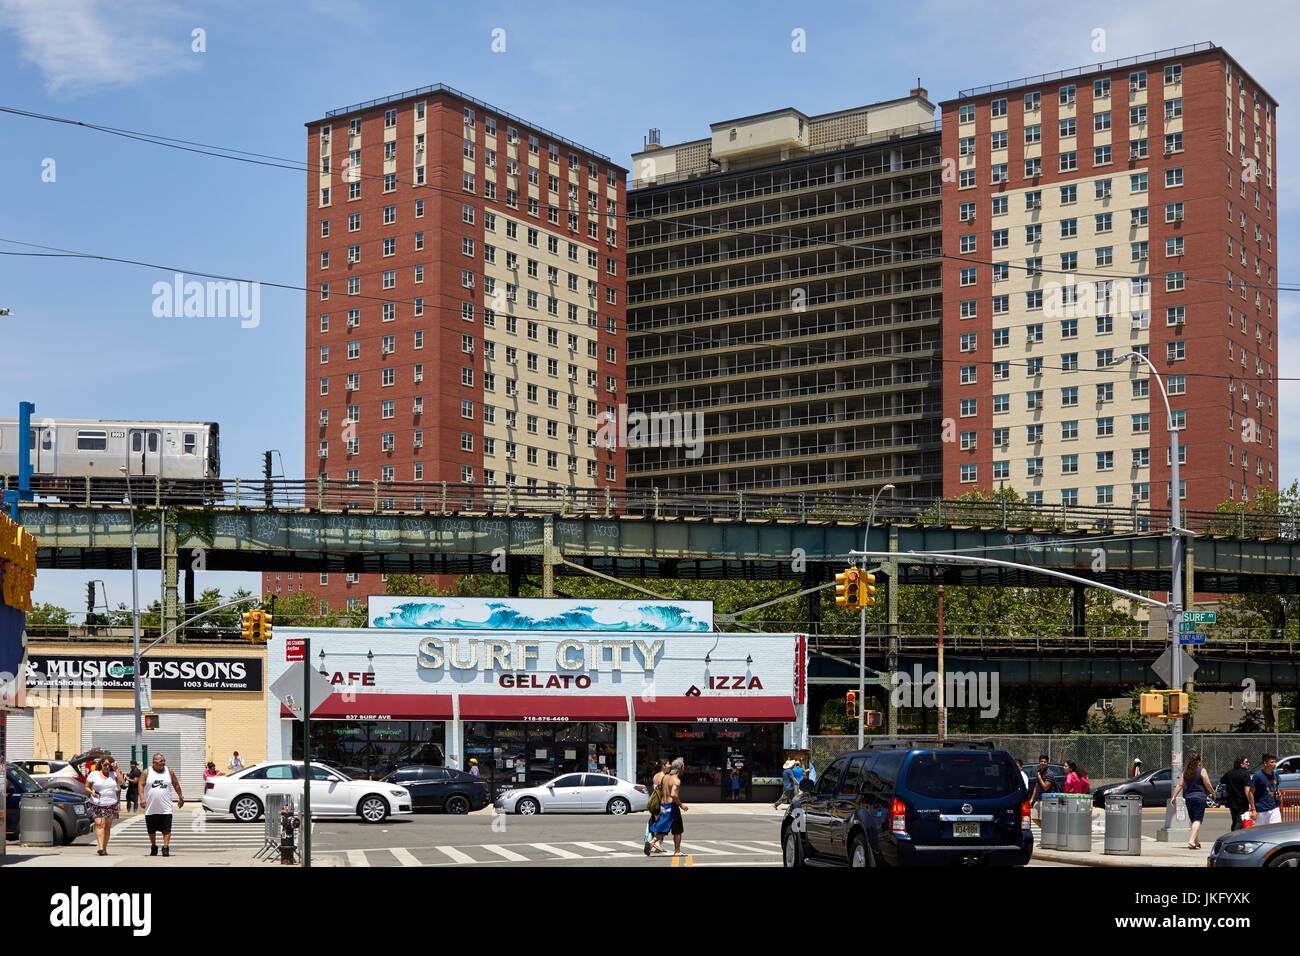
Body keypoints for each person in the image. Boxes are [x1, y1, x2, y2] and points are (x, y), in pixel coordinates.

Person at [143, 752, 184, 857]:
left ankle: (165, 847)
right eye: (161, 761)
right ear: (154, 762)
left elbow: (176, 784)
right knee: (151, 830)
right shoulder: (147, 772)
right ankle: (153, 846)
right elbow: (140, 784)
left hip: (166, 807)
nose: (163, 763)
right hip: (151, 807)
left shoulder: (168, 771)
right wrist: (142, 798)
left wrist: (180, 797)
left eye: (164, 760)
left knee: (166, 828)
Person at [1170, 752, 1215, 849]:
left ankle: (1196, 843)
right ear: (1198, 761)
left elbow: (1180, 785)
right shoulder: (1202, 771)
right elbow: (1208, 784)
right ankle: (1191, 840)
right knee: (1197, 820)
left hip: (1189, 798)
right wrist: (1213, 793)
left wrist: (1174, 796)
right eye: (1201, 760)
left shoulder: (1186, 771)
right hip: (1200, 797)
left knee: (1193, 820)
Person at [85, 756, 122, 856]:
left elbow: (121, 783)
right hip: (97, 803)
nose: (107, 767)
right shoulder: (94, 774)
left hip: (111, 803)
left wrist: (116, 769)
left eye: (109, 765)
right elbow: (86, 787)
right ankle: (100, 848)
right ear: (101, 764)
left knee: (108, 826)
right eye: (105, 764)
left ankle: (104, 847)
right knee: (99, 824)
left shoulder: (114, 774)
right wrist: (92, 792)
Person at [1246, 753, 1282, 827]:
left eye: (1275, 762)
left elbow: (1275, 787)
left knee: (1276, 831)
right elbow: (1250, 793)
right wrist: (1253, 810)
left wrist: (1278, 793)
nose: (1274, 764)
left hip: (1274, 809)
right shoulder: (1258, 776)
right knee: (1260, 834)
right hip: (1261, 811)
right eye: (1272, 762)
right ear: (1265, 763)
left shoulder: (1275, 774)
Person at [662, 757, 688, 855]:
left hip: (663, 804)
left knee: (664, 827)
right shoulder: (676, 780)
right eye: (683, 766)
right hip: (672, 805)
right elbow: (673, 794)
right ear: (680, 767)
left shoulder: (665, 777)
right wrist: (681, 805)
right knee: (677, 830)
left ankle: (652, 842)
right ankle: (677, 851)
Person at [1220, 755, 1252, 831]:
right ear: (1241, 764)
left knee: (1235, 820)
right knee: (1239, 821)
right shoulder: (1245, 774)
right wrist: (1250, 802)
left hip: (1231, 802)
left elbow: (1221, 781)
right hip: (1242, 802)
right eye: (1246, 762)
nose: (1248, 763)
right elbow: (1247, 789)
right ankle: (1234, 837)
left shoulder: (1229, 773)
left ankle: (1233, 836)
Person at [1030, 754, 1053, 824]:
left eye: (1045, 762)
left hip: (1046, 800)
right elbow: (1036, 787)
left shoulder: (1049, 774)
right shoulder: (1039, 772)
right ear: (1039, 762)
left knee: (1044, 819)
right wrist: (1032, 799)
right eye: (1041, 761)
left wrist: (1039, 778)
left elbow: (1046, 787)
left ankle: (1047, 832)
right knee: (1034, 817)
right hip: (1038, 799)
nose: (1043, 763)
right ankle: (1045, 830)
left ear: (1047, 763)